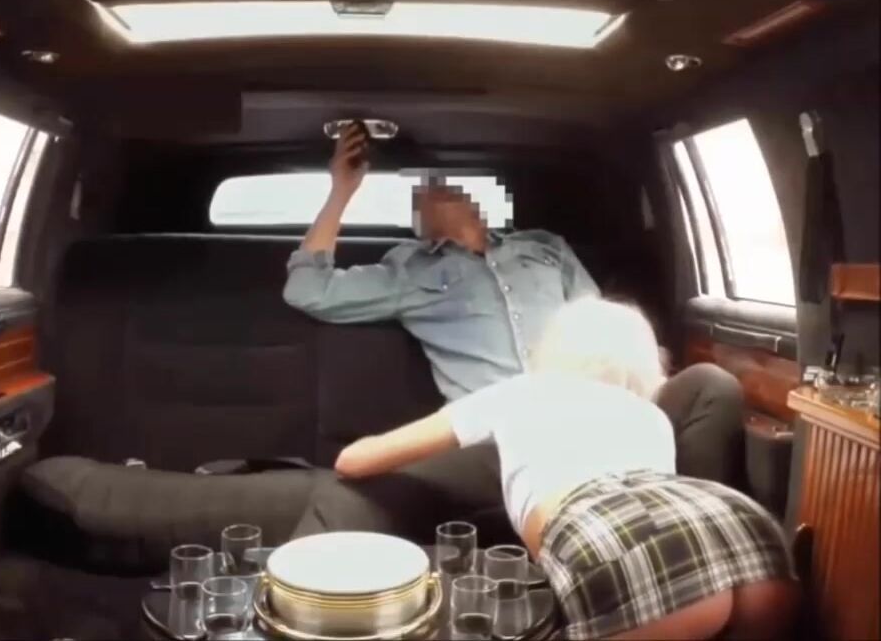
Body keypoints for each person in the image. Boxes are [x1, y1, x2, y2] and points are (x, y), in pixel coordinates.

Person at [284, 124, 746, 540]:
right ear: (416, 223)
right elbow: (308, 289)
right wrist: (342, 190)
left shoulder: (545, 248)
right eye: (420, 191)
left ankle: (702, 527)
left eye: (447, 183)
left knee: (712, 384)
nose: (434, 189)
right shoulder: (409, 270)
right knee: (355, 490)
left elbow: (600, 322)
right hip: (502, 441)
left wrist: (643, 384)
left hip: (601, 412)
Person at [335, 298, 797, 640]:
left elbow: (355, 462)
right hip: (745, 527)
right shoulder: (650, 414)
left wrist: (351, 447)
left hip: (620, 544)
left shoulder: (518, 391)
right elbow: (662, 507)